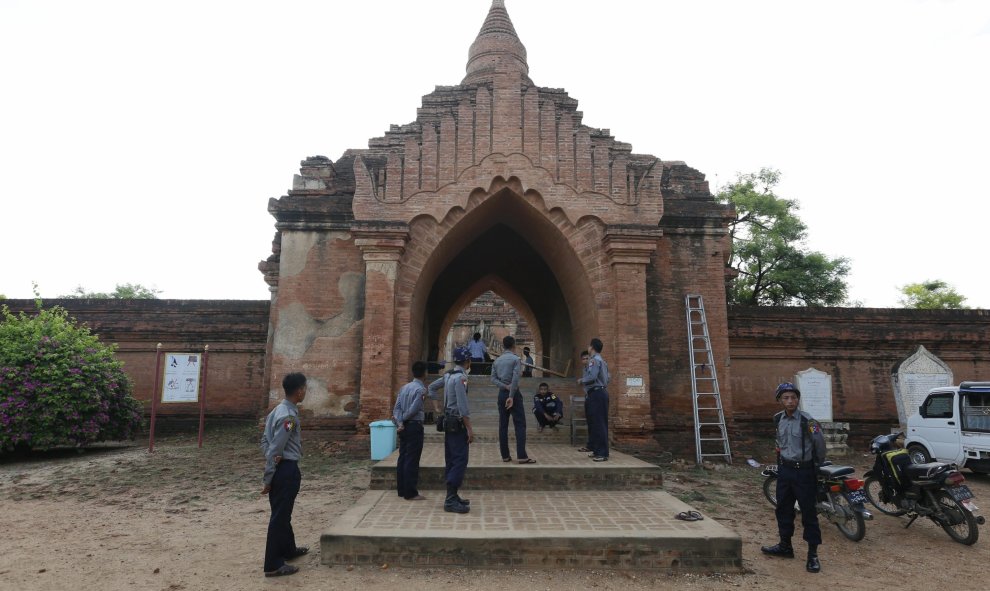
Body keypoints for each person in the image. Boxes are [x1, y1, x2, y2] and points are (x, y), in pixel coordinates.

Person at [761, 382, 827, 573]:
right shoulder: (778, 419)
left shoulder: (809, 421)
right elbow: (779, 443)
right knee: (783, 509)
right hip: (785, 471)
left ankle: (812, 555)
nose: (790, 401)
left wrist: (814, 466)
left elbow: (820, 446)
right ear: (780, 400)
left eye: (793, 397)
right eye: (786, 398)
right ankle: (785, 546)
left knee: (808, 513)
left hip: (804, 472)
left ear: (798, 399)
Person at [260, 372, 310, 577]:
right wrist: (269, 476)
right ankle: (273, 564)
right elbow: (274, 449)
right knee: (280, 517)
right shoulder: (288, 417)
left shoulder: (277, 410)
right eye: (305, 388)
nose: (306, 392)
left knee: (283, 512)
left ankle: (288, 549)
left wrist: (273, 459)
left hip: (282, 467)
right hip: (286, 470)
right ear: (299, 391)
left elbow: (265, 441)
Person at [428, 347, 474, 513]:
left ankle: (453, 495)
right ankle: (450, 499)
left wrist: (437, 407)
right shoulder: (461, 378)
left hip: (448, 421)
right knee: (460, 459)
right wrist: (469, 429)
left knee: (451, 459)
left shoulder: (448, 375)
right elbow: (463, 407)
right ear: (468, 361)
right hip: (457, 423)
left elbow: (432, 388)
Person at [392, 361, 435, 501]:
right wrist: (403, 420)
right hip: (414, 426)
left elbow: (397, 408)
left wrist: (399, 422)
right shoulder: (421, 390)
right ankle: (410, 492)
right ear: (425, 373)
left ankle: (402, 489)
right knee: (412, 458)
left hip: (403, 427)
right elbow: (414, 409)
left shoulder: (404, 388)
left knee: (403, 456)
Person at [491, 335, 535, 464]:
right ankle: (521, 456)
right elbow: (516, 378)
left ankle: (505, 455)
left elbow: (492, 379)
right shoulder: (515, 359)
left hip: (502, 393)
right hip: (513, 394)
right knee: (520, 424)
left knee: (503, 425)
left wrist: (504, 386)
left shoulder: (497, 361)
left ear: (503, 346)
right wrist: (511, 395)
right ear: (513, 345)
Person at [577, 339, 609, 461]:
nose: (588, 348)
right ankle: (597, 450)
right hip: (599, 392)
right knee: (596, 423)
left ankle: (602, 453)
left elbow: (592, 376)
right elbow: (608, 378)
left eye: (589, 346)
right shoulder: (603, 361)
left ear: (592, 347)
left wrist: (582, 380)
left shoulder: (594, 361)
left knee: (599, 423)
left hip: (597, 393)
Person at [575, 351, 593, 452]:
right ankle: (590, 445)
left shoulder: (594, 367)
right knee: (589, 422)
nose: (585, 360)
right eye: (583, 359)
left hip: (594, 395)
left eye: (587, 358)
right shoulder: (584, 369)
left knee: (595, 422)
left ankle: (594, 446)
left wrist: (582, 380)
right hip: (588, 396)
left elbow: (592, 378)